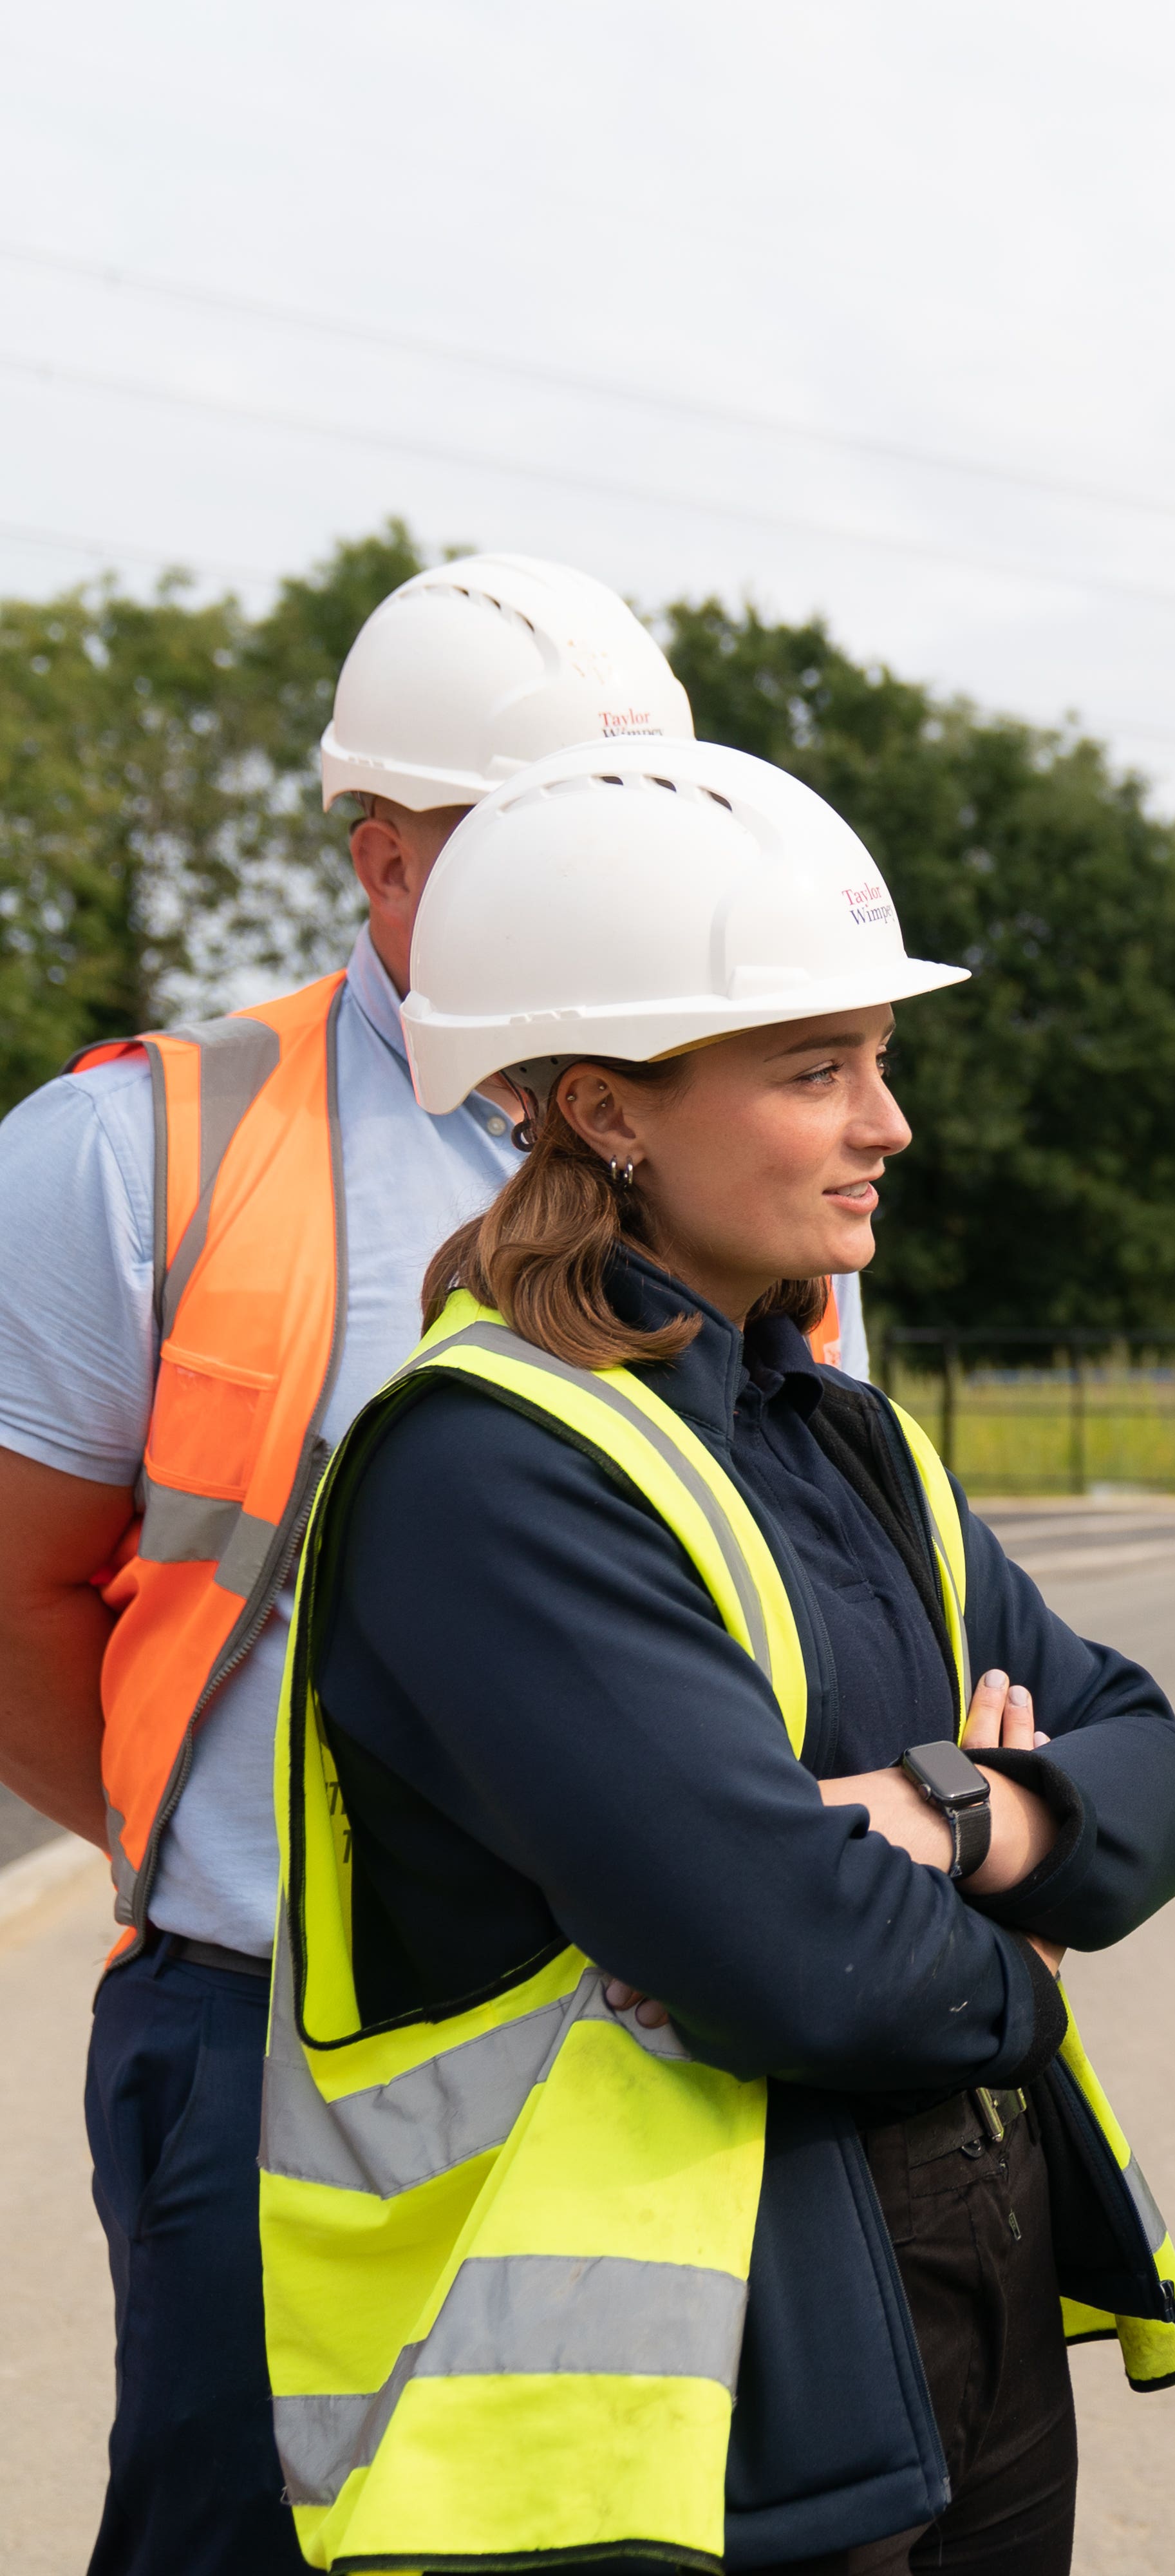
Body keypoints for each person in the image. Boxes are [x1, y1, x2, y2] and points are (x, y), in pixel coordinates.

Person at [0, 554, 865, 2575]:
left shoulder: (753, 1137)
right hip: (276, 2045)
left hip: (682, 2034)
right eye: (528, 837)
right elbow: (16, 1602)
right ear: (384, 861)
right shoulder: (138, 1155)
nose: (606, 887)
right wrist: (208, 1875)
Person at [260, 735, 1175, 2574]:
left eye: (879, 1061)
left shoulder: (830, 1426)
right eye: (814, 1069)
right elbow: (806, 1966)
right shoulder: (491, 1472)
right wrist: (1023, 1924)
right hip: (692, 2422)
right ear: (612, 1108)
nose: (890, 1125)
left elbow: (1155, 1764)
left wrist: (940, 1818)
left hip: (958, 2312)